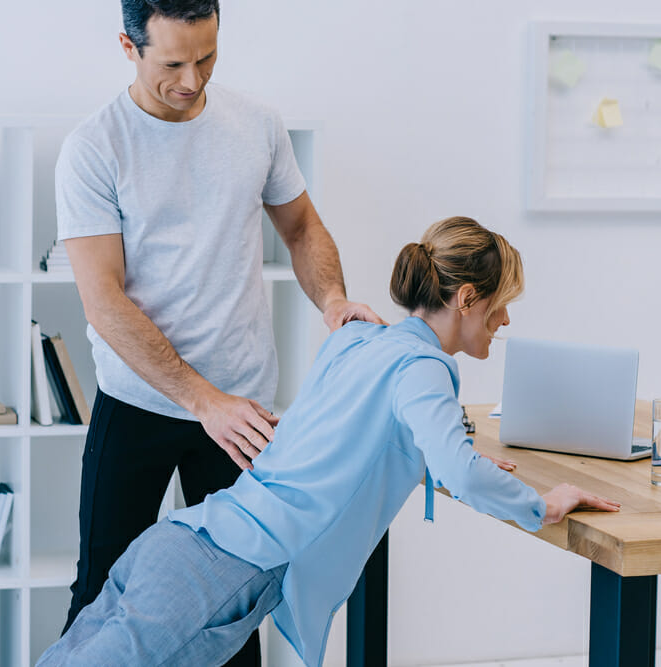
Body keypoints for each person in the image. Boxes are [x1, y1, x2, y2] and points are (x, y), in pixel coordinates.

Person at [37, 216, 621, 667]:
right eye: (502, 305)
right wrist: (542, 506)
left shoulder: (357, 339)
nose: (506, 321)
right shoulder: (423, 367)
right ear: (467, 299)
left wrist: (439, 458)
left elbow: (344, 440)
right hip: (227, 569)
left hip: (183, 537)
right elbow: (459, 472)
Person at [54, 0, 382, 660]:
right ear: (129, 46)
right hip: (142, 404)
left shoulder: (254, 124)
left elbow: (300, 227)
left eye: (207, 58)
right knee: (102, 596)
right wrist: (204, 401)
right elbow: (104, 302)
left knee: (232, 600)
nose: (192, 80)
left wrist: (334, 299)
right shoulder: (94, 147)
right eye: (173, 63)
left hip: (244, 406)